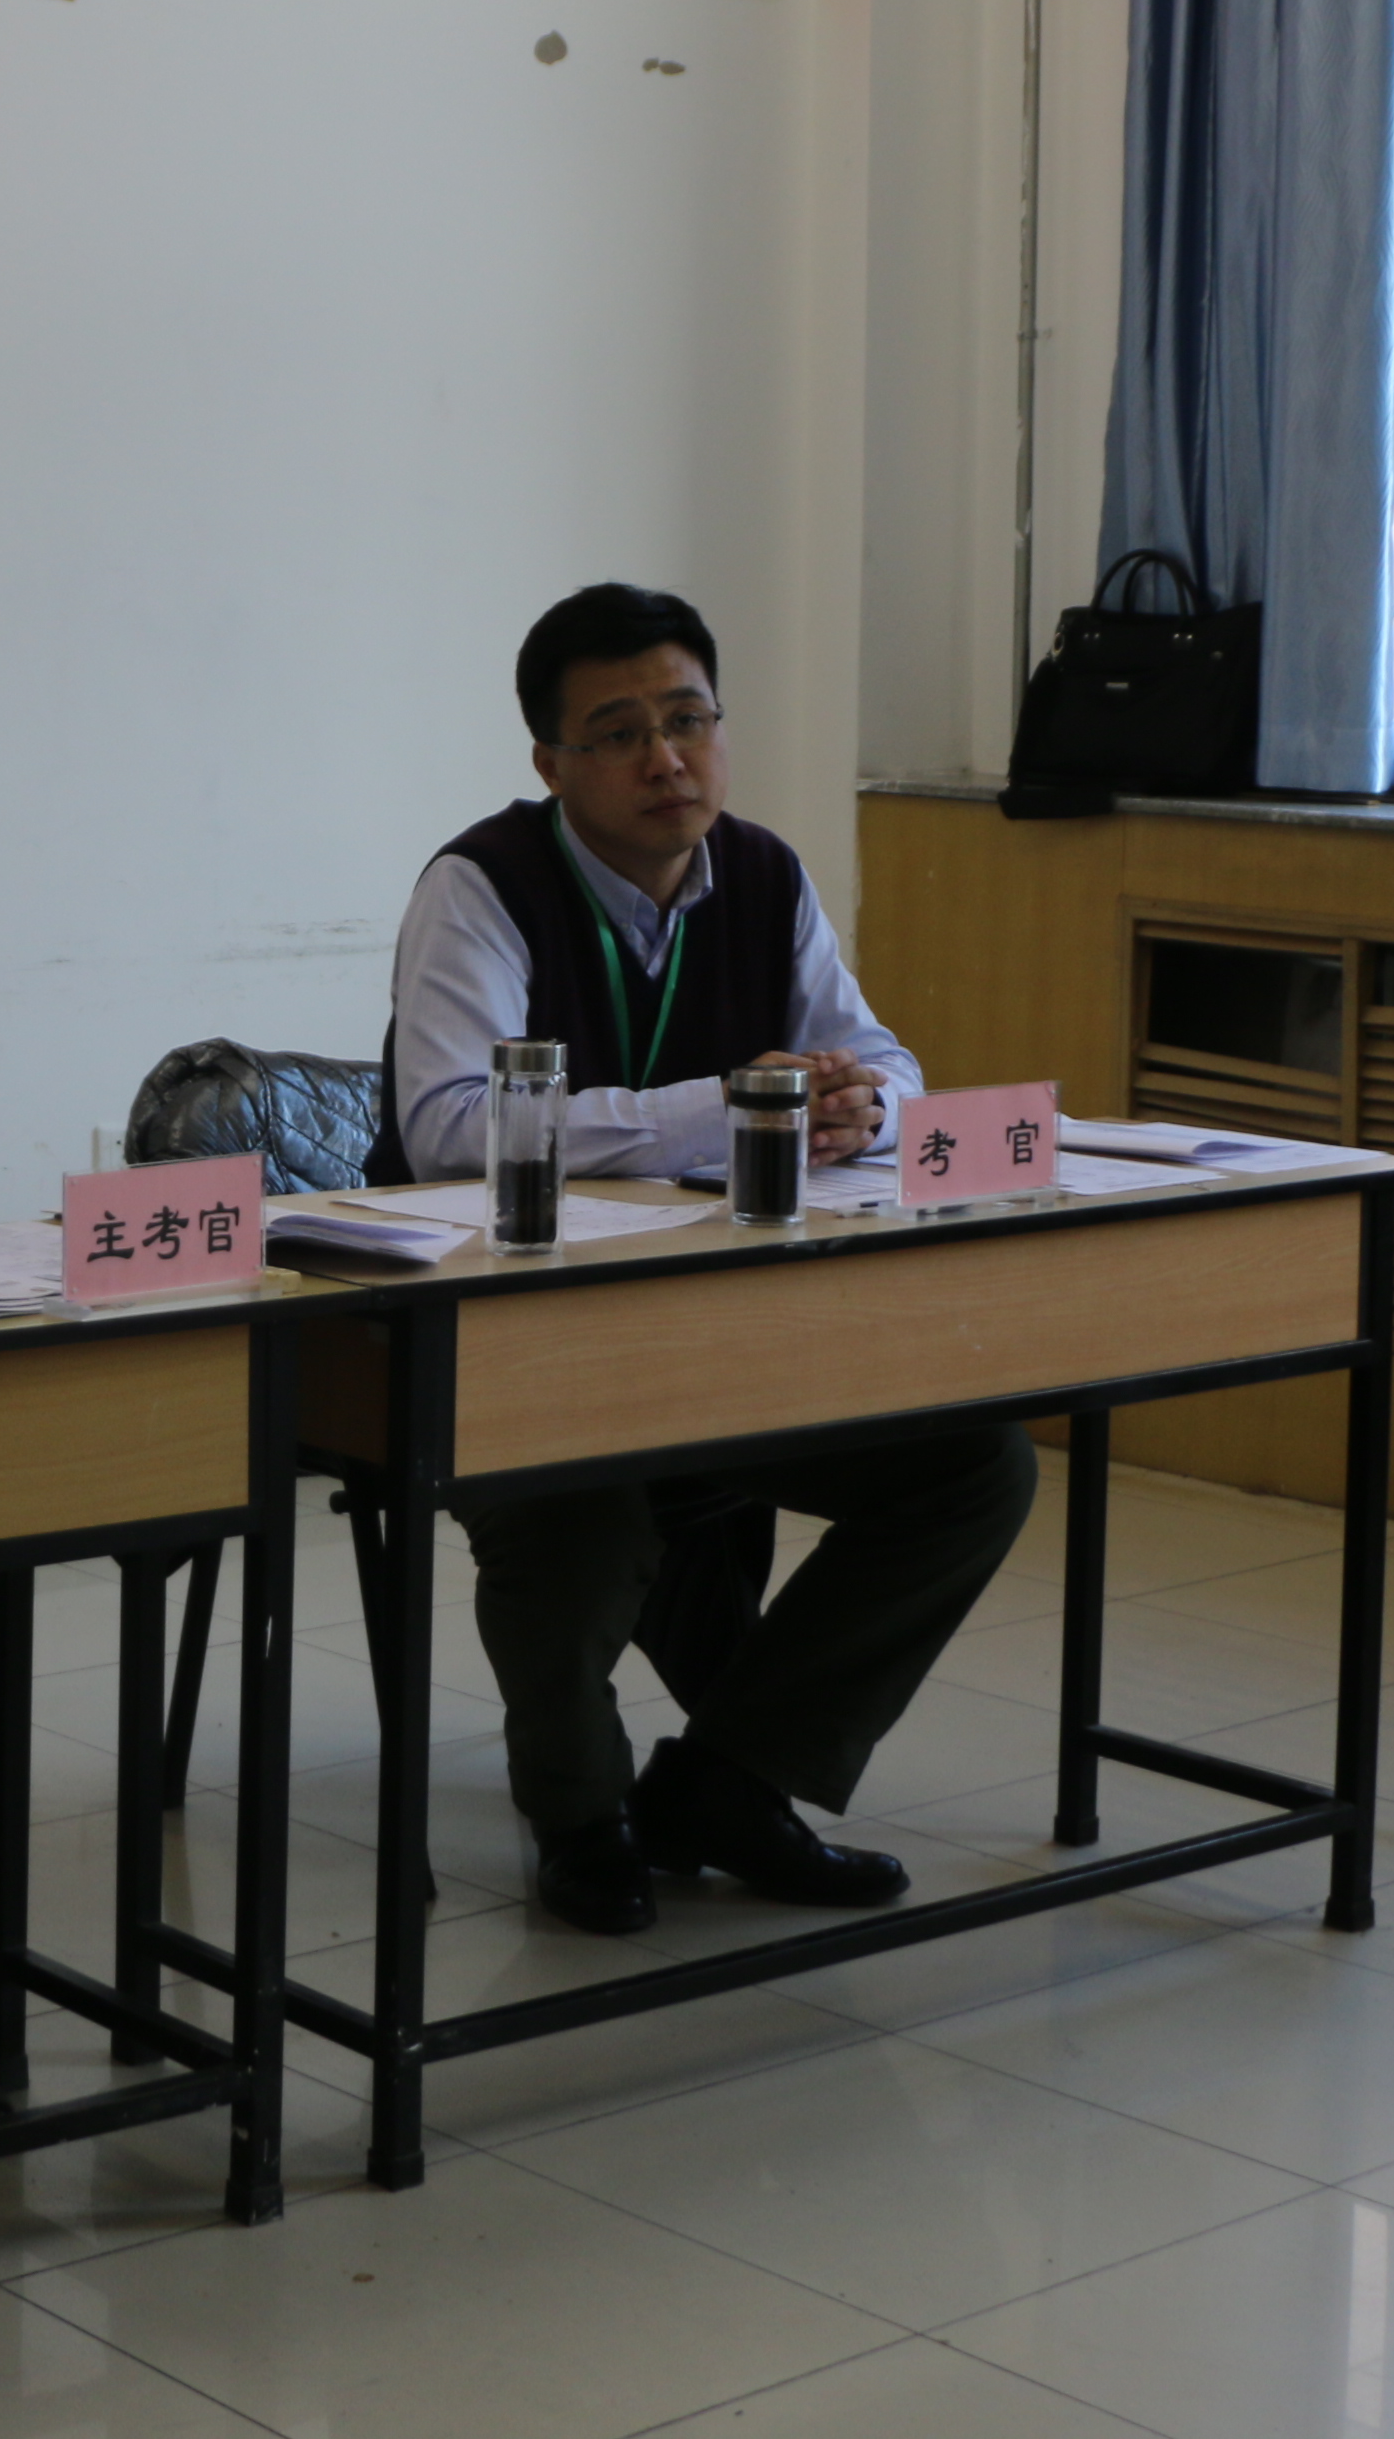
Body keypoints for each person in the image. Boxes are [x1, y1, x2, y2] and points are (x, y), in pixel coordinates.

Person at [380, 582, 1036, 1938]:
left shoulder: (766, 875)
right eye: (620, 733)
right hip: (502, 1341)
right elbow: (449, 1127)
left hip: (726, 1332)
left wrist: (865, 1108)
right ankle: (580, 1817)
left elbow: (884, 1056)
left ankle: (730, 1782)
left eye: (689, 720)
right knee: (580, 1506)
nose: (666, 759)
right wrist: (728, 1106)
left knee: (975, 1465)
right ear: (551, 762)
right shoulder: (480, 887)